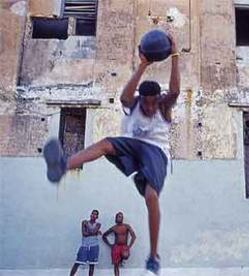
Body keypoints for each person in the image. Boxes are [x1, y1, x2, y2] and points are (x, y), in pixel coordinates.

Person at [43, 35, 180, 275]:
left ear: (158, 100)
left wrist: (176, 56)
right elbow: (125, 97)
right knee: (106, 144)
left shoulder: (164, 106)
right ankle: (62, 166)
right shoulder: (134, 101)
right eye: (145, 103)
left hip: (157, 154)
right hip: (134, 146)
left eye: (151, 104)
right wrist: (143, 64)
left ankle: (153, 255)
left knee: (151, 197)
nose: (148, 108)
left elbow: (176, 89)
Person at [103, 212, 136, 276]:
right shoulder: (114, 228)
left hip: (124, 246)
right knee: (116, 265)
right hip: (116, 247)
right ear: (116, 218)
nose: (119, 218)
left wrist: (129, 246)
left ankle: (121, 260)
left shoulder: (127, 226)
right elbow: (104, 236)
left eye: (121, 217)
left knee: (125, 256)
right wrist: (110, 245)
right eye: (118, 217)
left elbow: (134, 236)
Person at [69, 210, 101, 276]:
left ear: (97, 217)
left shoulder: (98, 224)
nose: (93, 215)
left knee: (92, 265)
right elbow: (84, 234)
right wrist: (95, 233)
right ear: (90, 214)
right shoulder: (84, 222)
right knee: (77, 263)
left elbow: (91, 231)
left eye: (95, 214)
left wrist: (89, 229)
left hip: (94, 246)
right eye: (92, 213)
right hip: (85, 245)